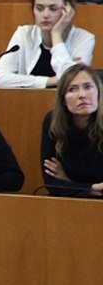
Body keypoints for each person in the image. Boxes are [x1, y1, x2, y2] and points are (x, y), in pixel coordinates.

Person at [0, 0, 95, 88]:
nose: (45, 14)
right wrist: (50, 81)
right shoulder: (24, 34)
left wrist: (56, 34)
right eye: (39, 8)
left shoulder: (84, 38)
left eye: (53, 8)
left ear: (68, 10)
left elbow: (73, 81)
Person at [41, 63, 103, 196]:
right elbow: (51, 182)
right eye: (72, 89)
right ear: (63, 99)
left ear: (98, 92)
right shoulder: (53, 122)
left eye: (88, 87)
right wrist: (91, 189)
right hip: (69, 205)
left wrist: (69, 182)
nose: (82, 95)